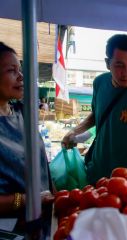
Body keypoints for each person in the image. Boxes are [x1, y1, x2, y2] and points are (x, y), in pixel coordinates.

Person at [62, 34, 127, 184]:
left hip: (126, 181)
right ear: (108, 63)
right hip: (95, 171)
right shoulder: (100, 83)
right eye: (119, 65)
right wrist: (74, 131)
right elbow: (96, 114)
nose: (126, 73)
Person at [0, 42, 53, 230]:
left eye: (20, 70)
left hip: (40, 220)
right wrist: (25, 200)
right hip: (10, 228)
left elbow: (41, 163)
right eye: (11, 71)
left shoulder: (22, 113)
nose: (21, 77)